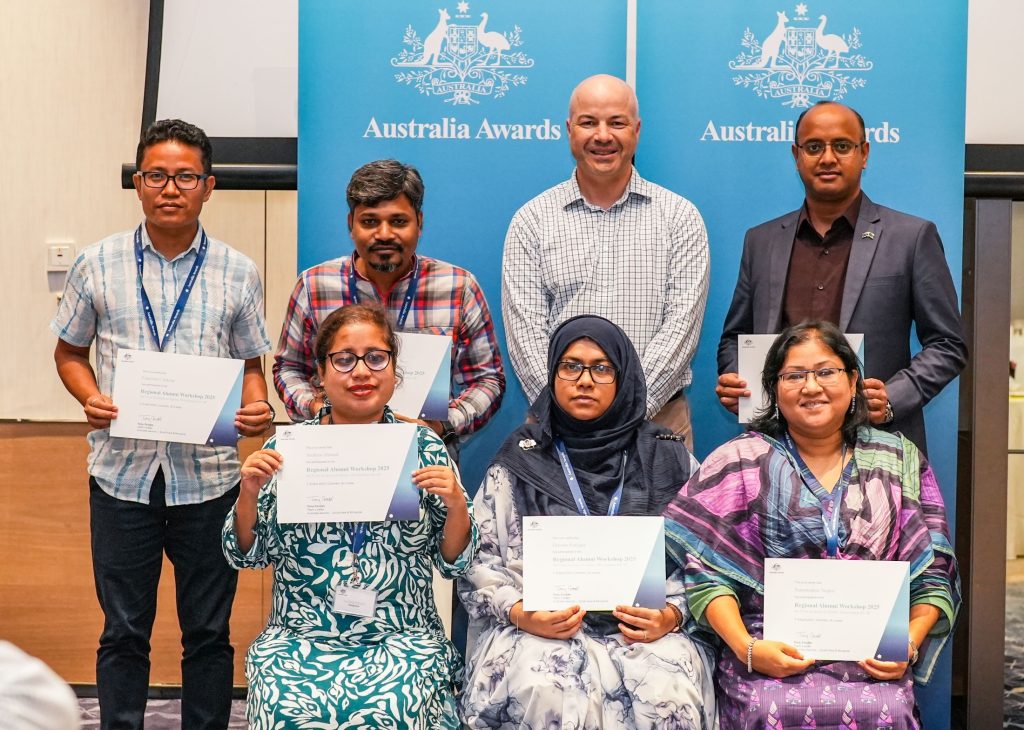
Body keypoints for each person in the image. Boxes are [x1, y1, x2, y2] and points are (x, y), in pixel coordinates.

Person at [51, 119, 273, 729]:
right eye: (156, 176)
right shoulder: (97, 263)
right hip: (122, 477)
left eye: (184, 177)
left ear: (208, 186)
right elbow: (69, 352)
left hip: (208, 479)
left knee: (209, 631)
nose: (169, 188)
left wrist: (256, 405)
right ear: (138, 184)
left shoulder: (238, 270)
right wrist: (89, 396)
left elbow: (250, 365)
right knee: (123, 630)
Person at [667, 321, 959, 728]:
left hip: (871, 649)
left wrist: (907, 643)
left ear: (853, 380)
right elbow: (706, 574)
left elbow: (934, 572)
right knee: (766, 708)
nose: (811, 387)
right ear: (773, 388)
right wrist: (749, 649)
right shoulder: (738, 461)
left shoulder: (898, 459)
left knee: (886, 710)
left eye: (826, 372)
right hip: (769, 645)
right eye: (794, 376)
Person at [224, 303, 478, 729]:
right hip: (300, 636)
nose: (361, 371)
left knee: (396, 705)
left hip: (402, 636)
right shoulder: (287, 449)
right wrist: (248, 493)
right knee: (284, 703)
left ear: (395, 371)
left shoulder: (423, 446)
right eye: (344, 359)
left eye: (376, 357)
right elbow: (247, 556)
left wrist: (455, 504)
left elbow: (455, 562)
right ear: (320, 373)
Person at [458, 315, 716, 729]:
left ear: (623, 375)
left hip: (647, 631)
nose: (584, 380)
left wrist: (672, 614)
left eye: (601, 368)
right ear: (553, 375)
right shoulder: (521, 457)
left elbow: (707, 559)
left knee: (667, 683)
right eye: (570, 366)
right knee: (540, 682)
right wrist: (522, 613)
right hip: (540, 626)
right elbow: (481, 560)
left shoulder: (669, 458)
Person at [715, 101, 967, 453]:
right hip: (777, 444)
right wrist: (738, 381)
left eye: (842, 146)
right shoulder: (761, 241)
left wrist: (894, 396)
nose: (828, 158)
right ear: (796, 155)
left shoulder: (911, 237)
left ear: (864, 153)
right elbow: (734, 337)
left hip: (876, 444)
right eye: (814, 147)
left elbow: (948, 344)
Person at [502, 74, 709, 447]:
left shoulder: (680, 218)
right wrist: (568, 411)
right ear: (569, 130)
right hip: (556, 430)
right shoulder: (531, 221)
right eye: (588, 122)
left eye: (617, 122)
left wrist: (624, 409)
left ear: (637, 130)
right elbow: (526, 336)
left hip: (658, 427)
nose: (602, 136)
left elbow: (681, 330)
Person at [273, 159, 505, 455]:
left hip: (424, 462)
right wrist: (319, 410)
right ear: (350, 225)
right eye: (369, 221)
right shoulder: (314, 285)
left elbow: (488, 379)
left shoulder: (458, 287)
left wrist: (442, 427)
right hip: (331, 456)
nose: (383, 234)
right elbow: (289, 368)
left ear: (419, 223)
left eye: (398, 221)